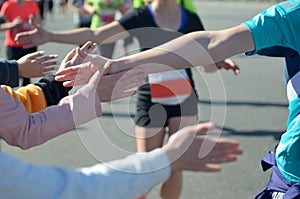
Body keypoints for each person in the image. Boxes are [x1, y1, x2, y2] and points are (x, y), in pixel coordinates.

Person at [36, 1, 299, 198]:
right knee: (146, 167)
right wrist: (49, 36)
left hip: (184, 98)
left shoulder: (190, 17)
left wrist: (218, 63)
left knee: (175, 166)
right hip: (150, 97)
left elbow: (207, 54)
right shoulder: (142, 14)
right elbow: (97, 34)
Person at [0, 0, 42, 86]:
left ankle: (25, 98)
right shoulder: (8, 5)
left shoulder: (32, 4)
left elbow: (38, 24)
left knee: (27, 77)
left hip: (29, 44)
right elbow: (1, 26)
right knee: (13, 74)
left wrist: (31, 25)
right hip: (13, 45)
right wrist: (13, 24)